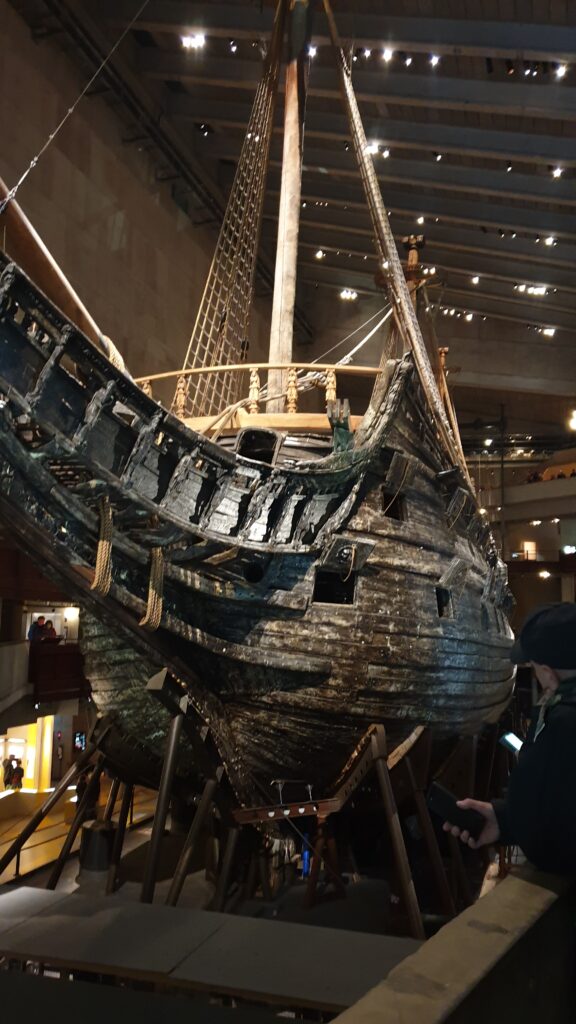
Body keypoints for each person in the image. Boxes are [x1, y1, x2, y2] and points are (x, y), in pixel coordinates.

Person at [444, 603, 576, 873]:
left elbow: (555, 839)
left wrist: (512, 822)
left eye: (535, 668)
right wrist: (503, 821)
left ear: (548, 673)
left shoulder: (562, 722)